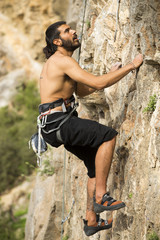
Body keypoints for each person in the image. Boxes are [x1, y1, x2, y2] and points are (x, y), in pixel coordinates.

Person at [39, 21, 143, 236]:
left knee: (95, 164)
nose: (74, 31)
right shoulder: (61, 61)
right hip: (59, 122)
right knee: (107, 136)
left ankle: (91, 220)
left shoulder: (61, 62)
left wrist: (110, 73)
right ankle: (101, 197)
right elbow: (98, 85)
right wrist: (131, 66)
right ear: (57, 41)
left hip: (54, 124)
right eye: (67, 31)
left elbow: (83, 91)